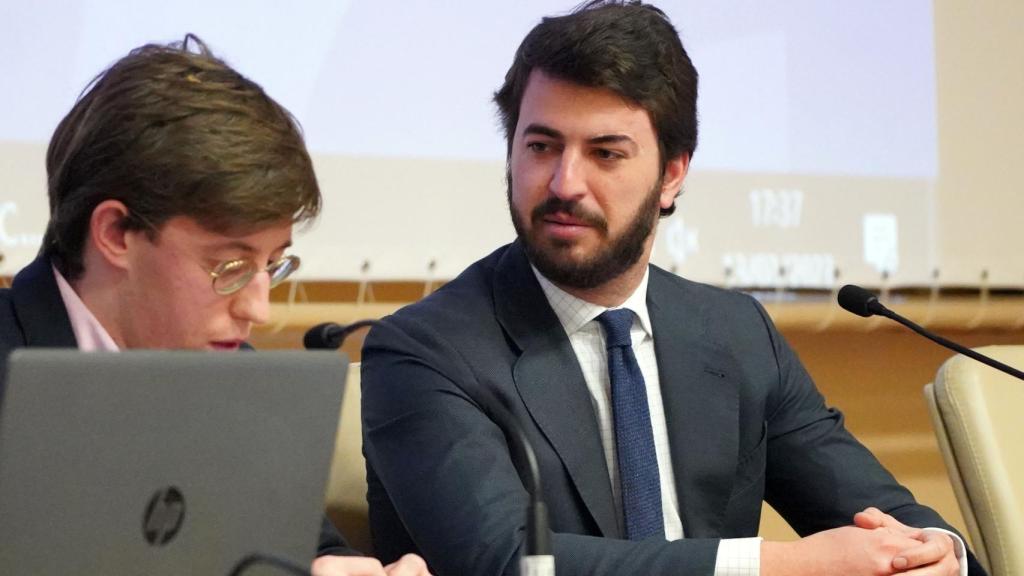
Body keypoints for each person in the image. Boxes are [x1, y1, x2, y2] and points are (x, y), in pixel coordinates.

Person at [360, 2, 984, 575]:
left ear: (672, 174)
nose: (564, 183)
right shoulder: (423, 351)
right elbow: (501, 560)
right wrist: (777, 567)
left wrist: (937, 556)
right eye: (541, 146)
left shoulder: (736, 333)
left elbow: (882, 515)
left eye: (606, 153)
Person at [0, 36, 428, 576]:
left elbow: (305, 546)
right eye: (230, 267)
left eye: (273, 265)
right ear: (116, 233)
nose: (260, 310)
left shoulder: (242, 385)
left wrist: (332, 568)